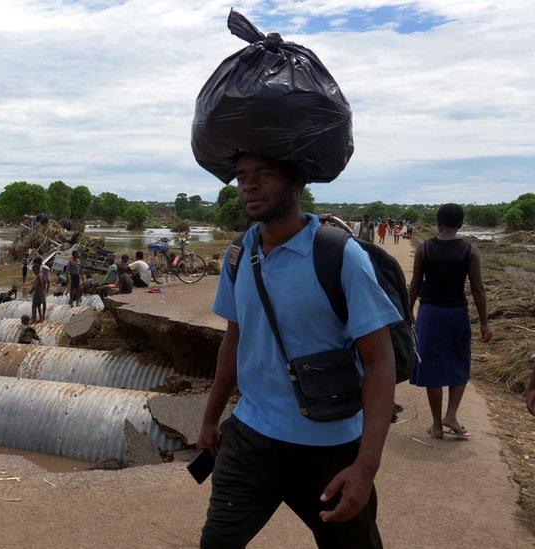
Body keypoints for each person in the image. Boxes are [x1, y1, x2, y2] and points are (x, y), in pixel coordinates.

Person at [197, 153, 399, 548]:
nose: (249, 186)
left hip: (329, 448)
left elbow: (379, 360)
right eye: (241, 177)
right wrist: (210, 418)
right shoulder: (238, 255)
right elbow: (233, 340)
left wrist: (365, 466)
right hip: (251, 436)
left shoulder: (340, 256)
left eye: (264, 175)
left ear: (297, 184)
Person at [408, 203, 491, 440]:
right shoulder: (470, 251)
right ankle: (451, 415)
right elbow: (478, 289)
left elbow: (415, 285)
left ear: (438, 222)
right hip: (456, 314)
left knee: (432, 366)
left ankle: (436, 425)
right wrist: (484, 322)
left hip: (430, 314)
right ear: (461, 224)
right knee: (459, 362)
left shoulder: (424, 249)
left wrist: (407, 311)